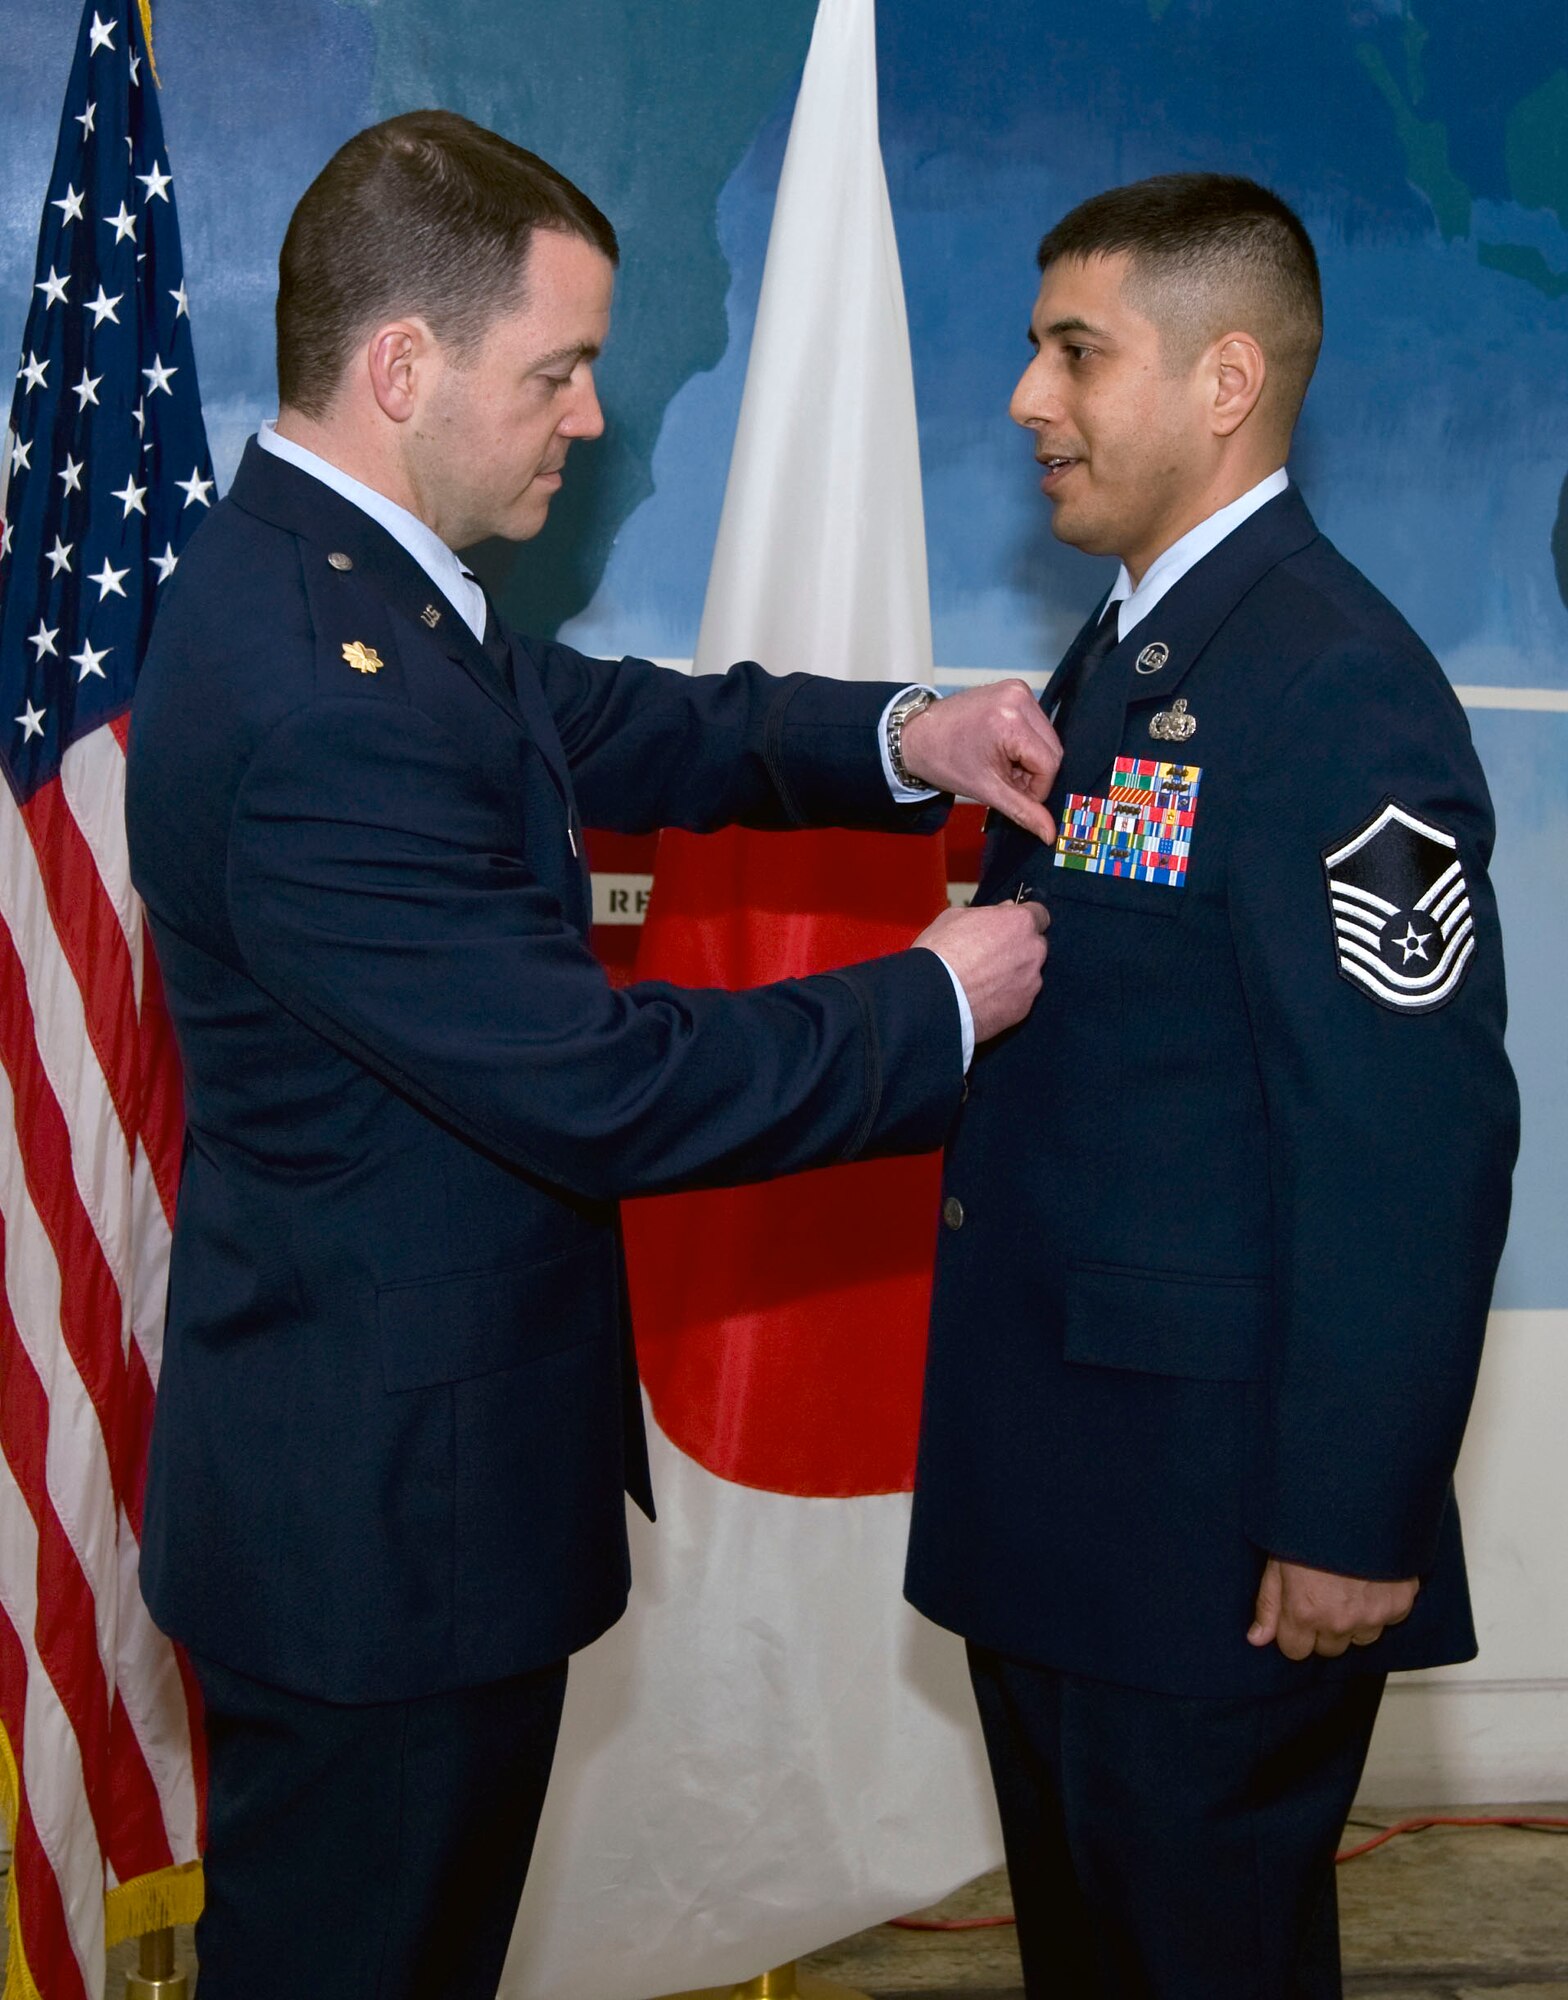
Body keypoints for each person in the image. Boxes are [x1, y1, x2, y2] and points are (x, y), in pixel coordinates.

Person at [126, 110, 1059, 1999]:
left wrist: (910, 735)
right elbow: (600, 1087)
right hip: (385, 1548)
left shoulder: (353, 593)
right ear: (404, 367)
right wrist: (936, 998)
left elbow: (621, 722)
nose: (584, 418)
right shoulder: (327, 699)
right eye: (553, 372)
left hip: (393, 1501)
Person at [905, 173, 1519, 1998]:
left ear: (1227, 376)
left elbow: (1413, 1140)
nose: (1028, 395)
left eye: (1074, 351)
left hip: (1216, 1550)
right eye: (1035, 348)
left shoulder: (1338, 686)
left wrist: (1351, 1518)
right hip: (1081, 1518)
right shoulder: (1142, 652)